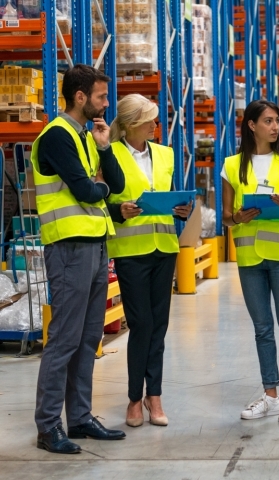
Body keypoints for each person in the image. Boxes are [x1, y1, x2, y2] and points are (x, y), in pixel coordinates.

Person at [33, 64, 126, 454]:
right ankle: (48, 425)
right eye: (102, 97)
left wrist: (106, 148)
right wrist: (98, 187)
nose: (107, 105)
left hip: (95, 244)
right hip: (69, 247)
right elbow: (87, 191)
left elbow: (114, 187)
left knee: (89, 338)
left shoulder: (88, 136)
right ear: (81, 97)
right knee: (65, 340)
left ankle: (81, 418)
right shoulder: (56, 136)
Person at [107, 94, 192, 428]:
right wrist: (120, 210)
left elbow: (168, 198)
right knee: (140, 324)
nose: (156, 125)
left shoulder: (165, 154)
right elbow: (104, 202)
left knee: (159, 325)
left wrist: (184, 209)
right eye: (150, 120)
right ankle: (133, 398)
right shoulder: (109, 154)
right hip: (131, 252)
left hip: (164, 248)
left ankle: (153, 396)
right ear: (131, 124)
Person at [222, 99, 279, 423]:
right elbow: (227, 218)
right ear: (252, 125)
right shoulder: (232, 165)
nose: (275, 127)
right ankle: (270, 395)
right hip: (249, 258)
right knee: (262, 329)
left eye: (277, 121)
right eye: (268, 121)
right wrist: (238, 217)